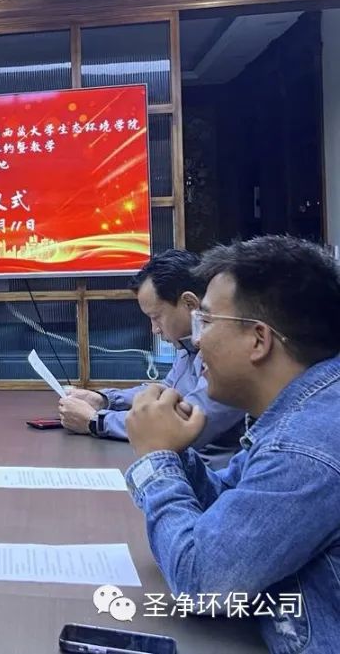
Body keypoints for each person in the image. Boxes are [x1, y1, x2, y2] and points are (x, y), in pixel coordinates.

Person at [124, 236, 340, 653]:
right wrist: (176, 452)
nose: (197, 340)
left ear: (258, 339)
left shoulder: (305, 446)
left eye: (206, 321)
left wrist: (157, 458)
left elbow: (202, 582)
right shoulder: (304, 412)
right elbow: (230, 504)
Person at [58, 249, 244, 467]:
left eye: (156, 317)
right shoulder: (188, 346)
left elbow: (181, 425)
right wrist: (105, 400)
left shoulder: (229, 352)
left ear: (190, 304)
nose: (154, 329)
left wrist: (96, 421)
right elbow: (166, 391)